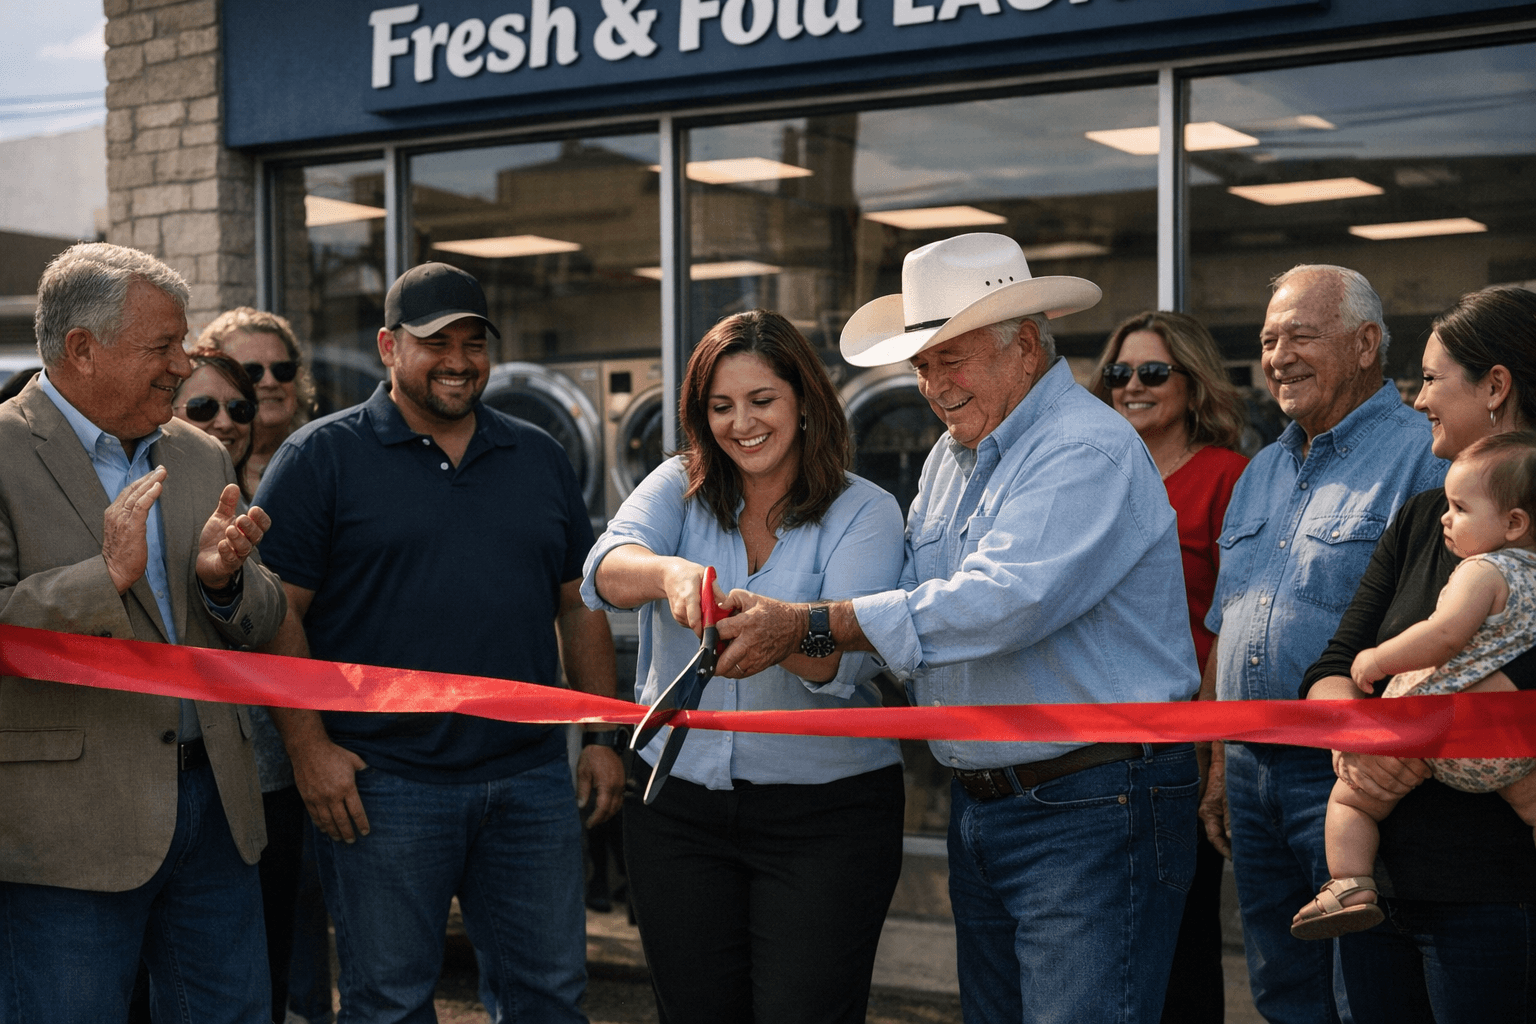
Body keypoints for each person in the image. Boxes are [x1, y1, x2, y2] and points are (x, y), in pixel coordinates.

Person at [713, 233, 1202, 1023]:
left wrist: (809, 622)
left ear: (1028, 345)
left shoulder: (1084, 448)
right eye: (923, 364)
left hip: (1091, 803)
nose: (934, 385)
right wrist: (807, 637)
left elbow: (1000, 602)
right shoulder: (954, 455)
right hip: (1006, 802)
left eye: (953, 358)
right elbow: (916, 600)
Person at [254, 261, 624, 1024]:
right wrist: (308, 749)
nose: (458, 360)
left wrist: (600, 735)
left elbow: (578, 601)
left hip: (528, 783)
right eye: (435, 343)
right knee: (389, 1005)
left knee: (550, 1000)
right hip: (383, 785)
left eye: (473, 342)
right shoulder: (320, 458)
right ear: (390, 347)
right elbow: (271, 616)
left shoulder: (539, 456)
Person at [582, 309, 906, 1024]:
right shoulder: (678, 485)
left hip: (826, 820)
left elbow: (840, 669)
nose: (742, 424)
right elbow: (604, 567)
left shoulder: (868, 512)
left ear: (804, 401)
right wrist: (669, 576)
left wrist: (783, 635)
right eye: (720, 407)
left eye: (762, 401)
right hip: (676, 810)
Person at [0, 242, 286, 1022]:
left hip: (216, 810)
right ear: (81, 349)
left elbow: (262, 619)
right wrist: (105, 578)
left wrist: (225, 584)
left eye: (184, 343)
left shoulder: (197, 454)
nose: (183, 365)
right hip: (69, 830)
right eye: (162, 345)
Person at [1199, 264, 1446, 1024]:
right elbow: (1224, 624)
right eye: (1269, 340)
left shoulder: (1423, 455)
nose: (1278, 356)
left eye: (1301, 335)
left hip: (1353, 777)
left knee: (1365, 991)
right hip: (1249, 771)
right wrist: (1216, 766)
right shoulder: (1260, 471)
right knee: (1281, 989)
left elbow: (1448, 629)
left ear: (1366, 343)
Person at [1302, 286, 1536, 1021]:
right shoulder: (1421, 518)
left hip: (1496, 898)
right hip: (1378, 891)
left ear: (1495, 386)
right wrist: (1362, 734)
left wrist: (1444, 719)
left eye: (1432, 379)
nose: (1416, 401)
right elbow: (1333, 667)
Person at [1294, 431, 1536, 941]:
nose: (1447, 518)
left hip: (1430, 735)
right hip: (1509, 748)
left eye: (1460, 508)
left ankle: (1349, 884)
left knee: (1352, 801)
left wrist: (1379, 658)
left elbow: (1442, 635)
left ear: (1514, 523)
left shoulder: (1481, 571)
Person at [1090, 310, 1249, 1023]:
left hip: (1178, 747)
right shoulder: (1091, 475)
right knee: (1103, 942)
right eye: (1119, 373)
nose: (1132, 386)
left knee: (1180, 944)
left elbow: (1231, 621)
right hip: (1088, 744)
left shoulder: (1227, 476)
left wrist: (1214, 747)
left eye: (1153, 372)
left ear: (1193, 383)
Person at [199, 307, 314, 494]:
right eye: (251, 371)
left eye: (282, 369)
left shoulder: (324, 459)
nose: (270, 382)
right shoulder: (194, 468)